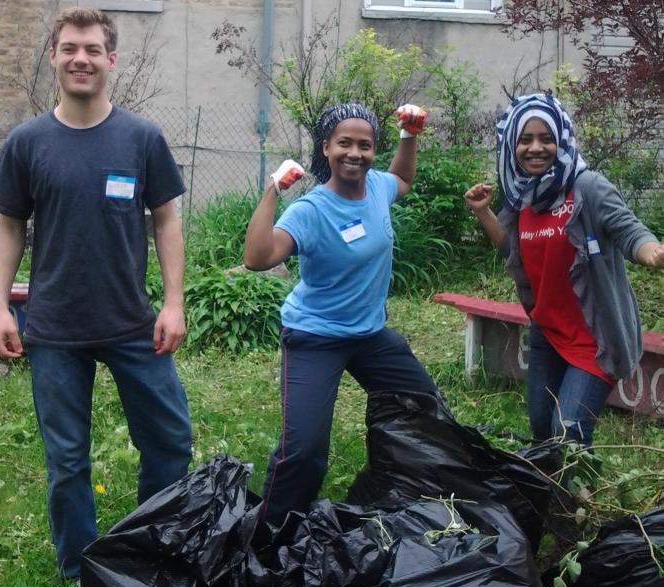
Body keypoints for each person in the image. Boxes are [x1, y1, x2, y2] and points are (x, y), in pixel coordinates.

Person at [0, 7, 192, 580]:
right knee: (67, 459)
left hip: (132, 322)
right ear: (53, 56)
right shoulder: (27, 142)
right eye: (71, 48)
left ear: (111, 59)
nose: (82, 59)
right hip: (54, 328)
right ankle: (81, 568)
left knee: (170, 441)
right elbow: (9, 226)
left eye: (93, 49)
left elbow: (166, 220)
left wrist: (173, 302)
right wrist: (0, 306)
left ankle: (153, 547)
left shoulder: (141, 138)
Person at [244, 102, 440, 526]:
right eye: (344, 144)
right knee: (304, 451)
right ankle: (271, 533)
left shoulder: (378, 188)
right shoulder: (311, 210)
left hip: (370, 336)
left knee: (423, 408)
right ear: (326, 148)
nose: (355, 153)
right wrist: (272, 190)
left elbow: (403, 178)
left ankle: (392, 494)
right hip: (315, 337)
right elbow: (257, 258)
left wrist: (408, 135)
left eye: (364, 146)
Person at [464, 93, 664, 448]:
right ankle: (561, 480)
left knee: (567, 430)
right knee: (542, 426)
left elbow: (629, 230)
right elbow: (515, 252)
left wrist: (652, 252)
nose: (535, 148)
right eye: (525, 139)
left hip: (595, 337)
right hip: (548, 333)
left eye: (546, 138)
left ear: (562, 139)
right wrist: (483, 212)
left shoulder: (587, 187)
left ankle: (572, 484)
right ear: (512, 145)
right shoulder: (524, 195)